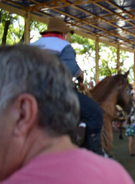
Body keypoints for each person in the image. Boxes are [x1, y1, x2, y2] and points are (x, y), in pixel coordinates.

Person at [0, 45, 135, 184]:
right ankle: (95, 150)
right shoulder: (120, 177)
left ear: (23, 113)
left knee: (94, 112)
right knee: (94, 113)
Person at [31, 17, 104, 155]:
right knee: (95, 112)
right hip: (58, 93)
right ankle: (94, 152)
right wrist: (80, 74)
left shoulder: (31, 46)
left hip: (30, 92)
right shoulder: (64, 46)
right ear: (63, 33)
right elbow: (69, 70)